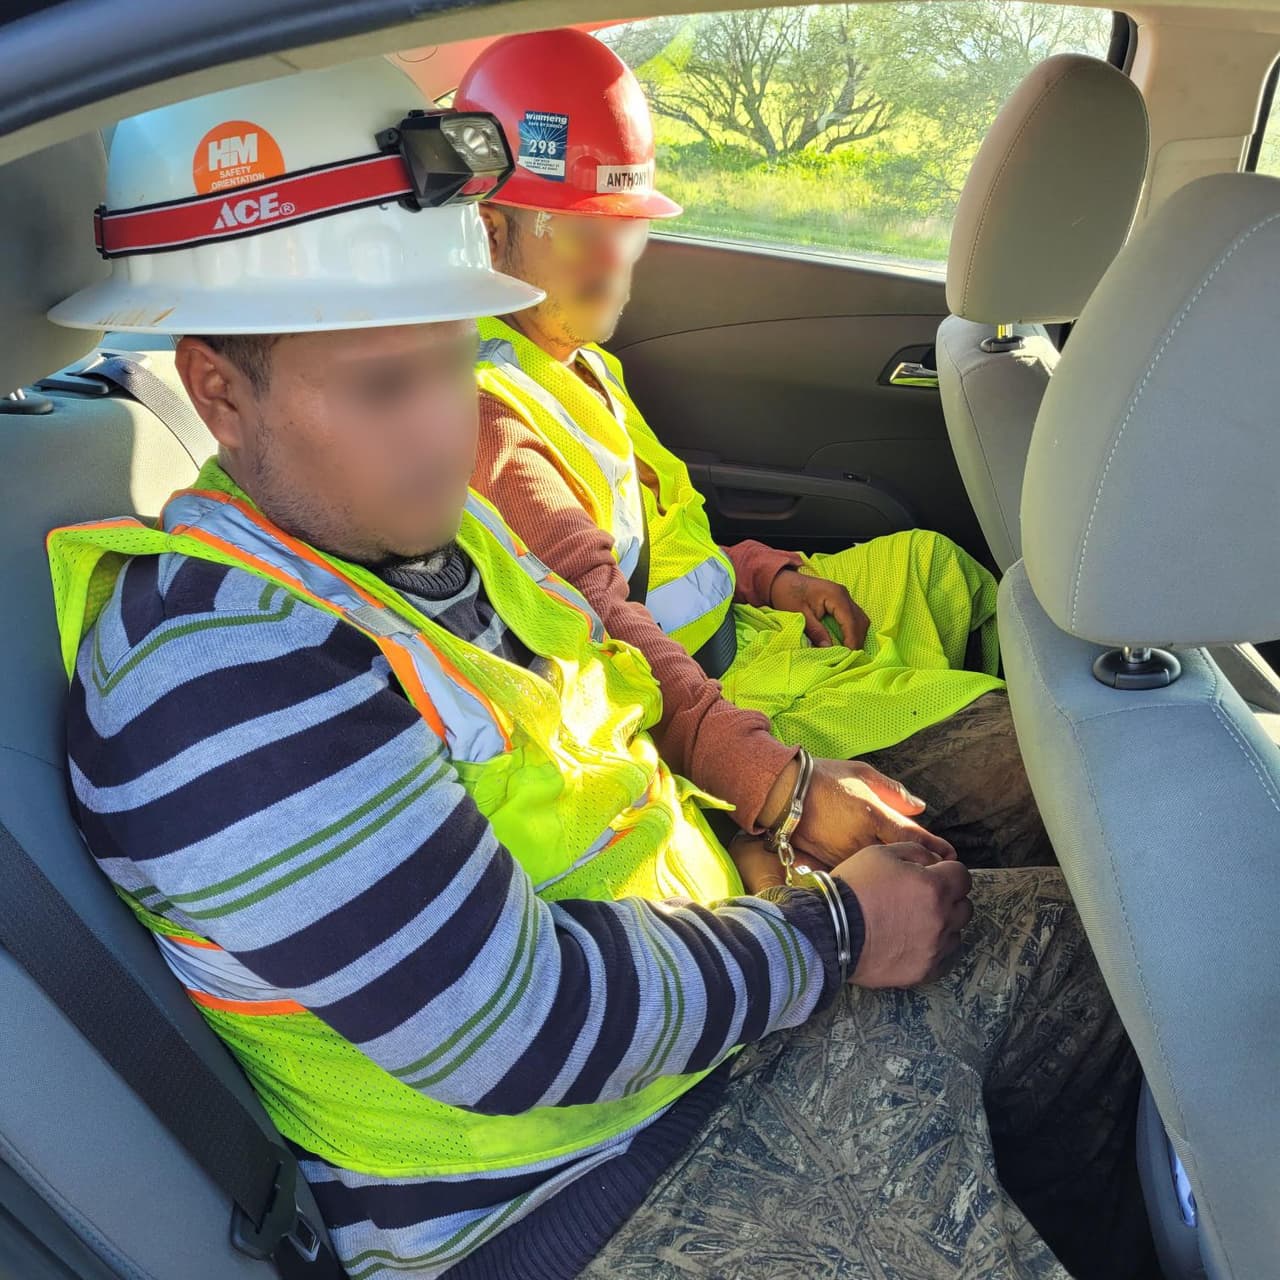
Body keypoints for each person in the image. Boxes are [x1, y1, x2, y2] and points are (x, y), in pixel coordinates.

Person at [49, 56, 1150, 1280]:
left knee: (1118, 957)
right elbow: (512, 1026)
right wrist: (834, 928)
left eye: (457, 356)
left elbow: (601, 716)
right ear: (217, 391)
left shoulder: (434, 531)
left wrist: (774, 813)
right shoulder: (216, 669)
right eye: (381, 384)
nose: (443, 427)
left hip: (688, 1038)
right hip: (570, 1194)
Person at [455, 29, 1052, 873]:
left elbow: (663, 543)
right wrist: (781, 791)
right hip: (716, 699)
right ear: (489, 228)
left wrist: (774, 574)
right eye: (575, 228)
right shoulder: (488, 411)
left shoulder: (575, 358)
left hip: (749, 628)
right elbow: (606, 627)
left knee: (935, 567)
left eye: (626, 224)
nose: (616, 257)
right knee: (1040, 763)